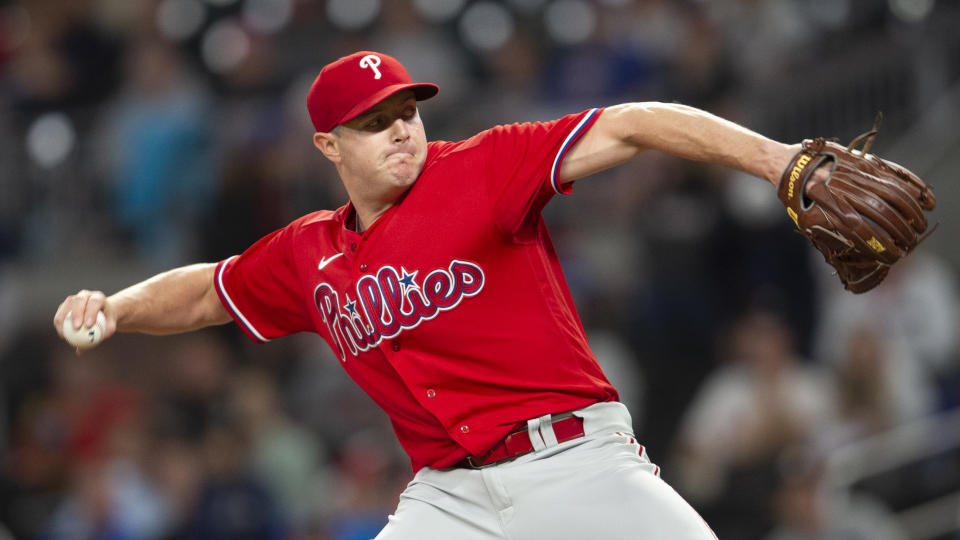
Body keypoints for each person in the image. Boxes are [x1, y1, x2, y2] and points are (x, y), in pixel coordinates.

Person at [54, 50, 811, 539]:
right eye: (373, 122)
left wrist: (778, 162)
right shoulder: (306, 252)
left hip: (574, 461)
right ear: (328, 145)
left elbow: (638, 122)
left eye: (407, 112)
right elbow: (207, 293)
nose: (400, 131)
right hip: (448, 501)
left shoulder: (482, 168)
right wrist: (116, 308)